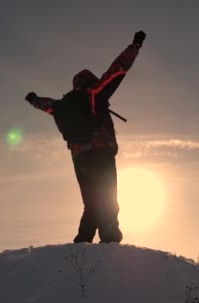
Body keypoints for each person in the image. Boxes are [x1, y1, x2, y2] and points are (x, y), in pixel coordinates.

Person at [25, 31, 146, 243]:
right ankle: (110, 240)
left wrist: (33, 99)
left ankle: (82, 244)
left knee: (91, 202)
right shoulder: (94, 94)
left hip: (79, 157)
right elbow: (117, 70)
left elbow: (47, 105)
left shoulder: (62, 105)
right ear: (91, 80)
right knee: (108, 197)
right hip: (100, 151)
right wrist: (134, 46)